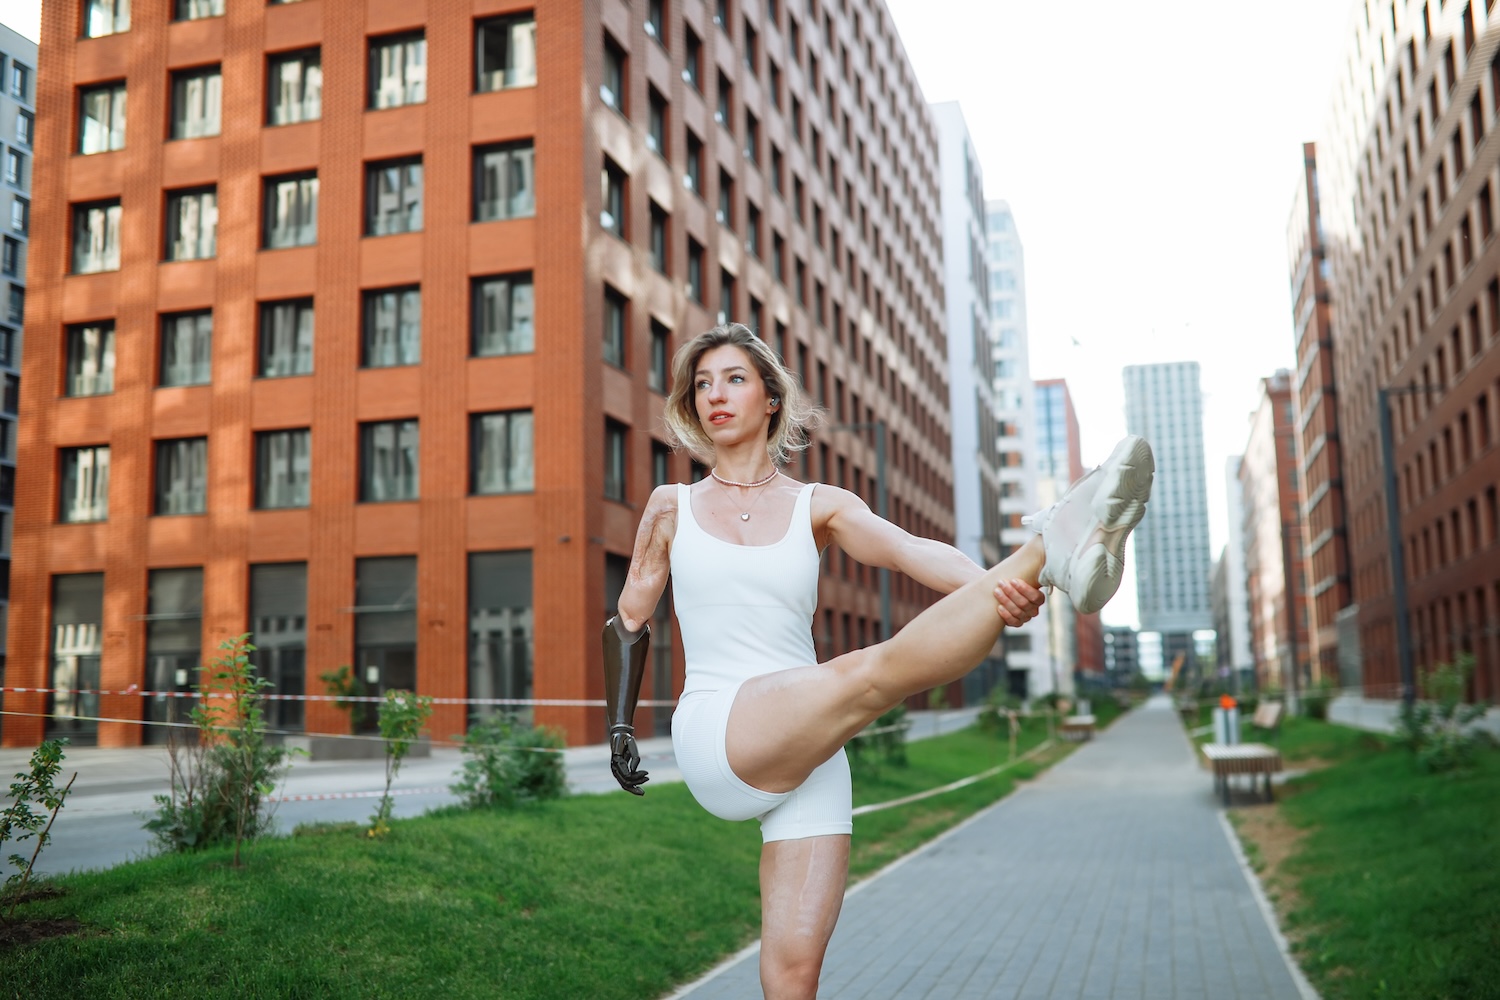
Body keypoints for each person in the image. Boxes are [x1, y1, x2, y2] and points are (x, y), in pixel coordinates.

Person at [603, 323, 1153, 999]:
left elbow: (914, 552)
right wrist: (620, 728)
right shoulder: (671, 507)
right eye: (702, 384)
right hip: (718, 730)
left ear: (772, 398)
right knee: (867, 674)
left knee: (794, 974)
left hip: (813, 750)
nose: (715, 394)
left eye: (734, 379)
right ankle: (1047, 550)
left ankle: (1041, 560)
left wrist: (992, 589)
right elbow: (630, 618)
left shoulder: (821, 506)